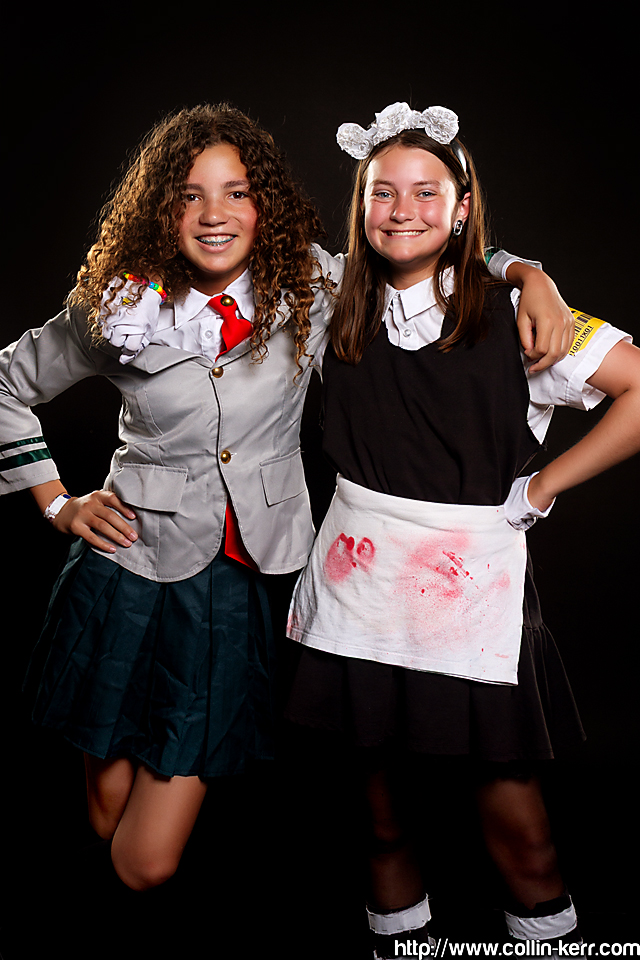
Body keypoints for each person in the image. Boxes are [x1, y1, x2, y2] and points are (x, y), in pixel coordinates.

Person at [0, 102, 571, 899]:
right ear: (162, 208)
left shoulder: (310, 285)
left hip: (242, 582)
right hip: (124, 573)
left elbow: (411, 247)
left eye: (236, 193)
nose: (214, 214)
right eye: (190, 195)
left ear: (262, 204)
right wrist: (56, 502)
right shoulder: (117, 310)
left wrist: (526, 273)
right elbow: (7, 384)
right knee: (105, 814)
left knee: (143, 860)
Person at [283, 103, 640, 958]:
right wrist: (523, 262)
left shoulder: (519, 315)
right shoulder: (330, 297)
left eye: (426, 191)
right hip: (357, 593)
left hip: (471, 598)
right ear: (360, 205)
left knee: (520, 831)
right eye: (382, 192)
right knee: (381, 818)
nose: (402, 210)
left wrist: (542, 487)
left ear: (463, 206)